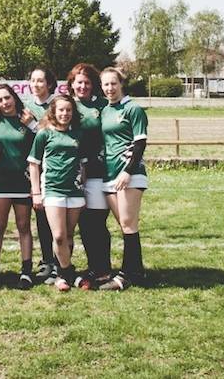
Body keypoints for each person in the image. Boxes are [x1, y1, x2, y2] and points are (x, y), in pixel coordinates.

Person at [27, 95, 86, 292]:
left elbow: (82, 164)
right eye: (61, 110)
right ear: (53, 112)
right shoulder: (44, 134)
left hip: (75, 191)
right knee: (59, 236)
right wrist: (36, 193)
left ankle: (64, 273)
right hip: (53, 189)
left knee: (69, 235)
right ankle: (65, 273)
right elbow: (34, 164)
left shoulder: (78, 133)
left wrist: (82, 186)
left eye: (68, 110)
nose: (65, 114)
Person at [0, 84, 36, 290]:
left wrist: (35, 183)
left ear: (14, 97)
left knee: (23, 226)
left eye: (7, 98)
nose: (5, 103)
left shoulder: (27, 120)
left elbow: (40, 148)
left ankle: (26, 271)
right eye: (0, 100)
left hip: (22, 182)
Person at [98, 67, 148, 291]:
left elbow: (140, 143)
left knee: (129, 224)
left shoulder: (133, 109)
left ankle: (126, 275)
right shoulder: (105, 110)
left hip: (129, 174)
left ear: (121, 84)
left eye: (113, 83)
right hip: (109, 175)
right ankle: (137, 271)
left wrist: (128, 171)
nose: (110, 88)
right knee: (124, 225)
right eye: (106, 84)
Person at [66, 63, 113, 289]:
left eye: (86, 82)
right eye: (79, 82)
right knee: (82, 224)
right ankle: (87, 267)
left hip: (96, 173)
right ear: (71, 85)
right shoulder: (66, 106)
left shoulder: (103, 105)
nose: (83, 86)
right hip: (70, 175)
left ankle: (102, 267)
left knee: (96, 222)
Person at [21, 66, 59, 284]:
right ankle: (46, 260)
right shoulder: (25, 106)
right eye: (33, 80)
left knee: (56, 217)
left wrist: (33, 125)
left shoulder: (56, 106)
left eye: (40, 81)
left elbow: (52, 134)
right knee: (40, 216)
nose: (36, 85)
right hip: (32, 168)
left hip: (53, 168)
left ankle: (58, 260)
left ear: (50, 84)